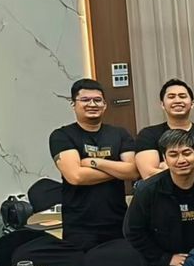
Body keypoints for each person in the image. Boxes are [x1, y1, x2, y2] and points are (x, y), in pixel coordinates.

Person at [124, 130, 194, 266]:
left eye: (187, 153)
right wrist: (165, 258)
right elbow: (133, 231)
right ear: (165, 158)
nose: (181, 160)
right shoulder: (147, 190)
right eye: (173, 155)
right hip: (163, 264)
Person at [49, 78, 137, 250]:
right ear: (73, 104)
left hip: (117, 221)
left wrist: (94, 162)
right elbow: (76, 176)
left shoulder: (119, 133)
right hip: (80, 225)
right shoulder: (62, 136)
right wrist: (117, 169)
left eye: (97, 100)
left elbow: (133, 171)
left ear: (105, 105)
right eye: (85, 100)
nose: (92, 104)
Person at [134, 78, 194, 179]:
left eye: (182, 96)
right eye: (171, 97)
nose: (177, 101)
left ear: (192, 104)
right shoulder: (148, 135)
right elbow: (150, 175)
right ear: (162, 104)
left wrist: (167, 166)